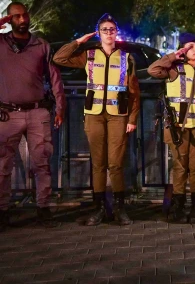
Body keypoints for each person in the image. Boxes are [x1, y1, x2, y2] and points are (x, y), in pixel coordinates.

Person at [53, 13, 140, 226]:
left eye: (112, 29)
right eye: (105, 30)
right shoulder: (89, 55)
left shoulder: (126, 58)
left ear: (116, 32)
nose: (109, 33)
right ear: (98, 33)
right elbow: (59, 58)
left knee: (116, 164)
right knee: (98, 164)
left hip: (118, 116)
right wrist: (79, 41)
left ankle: (120, 209)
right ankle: (99, 209)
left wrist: (132, 118)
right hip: (94, 115)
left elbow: (134, 92)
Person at [0, 2, 65, 231]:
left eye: (24, 15)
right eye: (16, 16)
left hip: (38, 112)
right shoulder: (1, 43)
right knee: (3, 166)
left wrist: (60, 107)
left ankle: (44, 208)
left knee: (42, 163)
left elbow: (55, 78)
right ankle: (3, 211)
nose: (22, 19)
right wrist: (2, 23)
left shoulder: (41, 45)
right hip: (8, 113)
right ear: (9, 20)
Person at [147, 33, 195, 223]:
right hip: (178, 127)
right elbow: (152, 70)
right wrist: (173, 56)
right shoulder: (172, 69)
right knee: (180, 167)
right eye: (190, 46)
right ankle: (178, 206)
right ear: (182, 49)